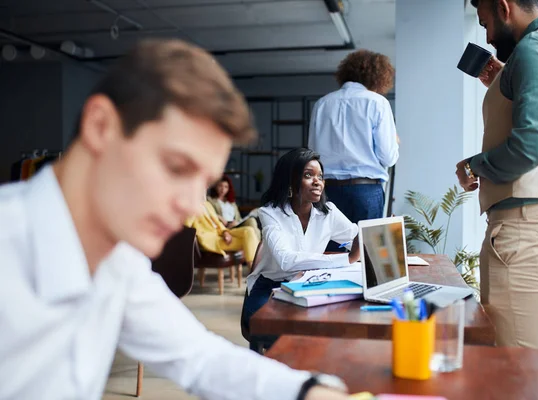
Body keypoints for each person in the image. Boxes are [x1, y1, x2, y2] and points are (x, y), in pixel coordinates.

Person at [0, 39, 351, 400]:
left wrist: (309, 391)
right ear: (100, 126)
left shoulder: (119, 263)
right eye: (176, 167)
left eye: (203, 182)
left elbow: (201, 358)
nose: (189, 205)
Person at [457, 0, 538, 349]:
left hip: (525, 234)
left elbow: (531, 146)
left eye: (485, 23)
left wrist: (473, 166)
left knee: (515, 372)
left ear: (504, 7)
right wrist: (506, 84)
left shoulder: (535, 48)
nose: (486, 37)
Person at [241, 148, 361, 352]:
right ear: (290, 180)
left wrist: (374, 239)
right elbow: (286, 261)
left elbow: (356, 237)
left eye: (320, 177)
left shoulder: (328, 212)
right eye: (308, 175)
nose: (318, 182)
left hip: (308, 286)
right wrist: (348, 258)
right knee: (277, 333)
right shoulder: (270, 213)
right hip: (269, 287)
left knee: (327, 330)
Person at [308, 49, 399, 225]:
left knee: (330, 250)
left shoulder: (322, 104)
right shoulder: (377, 103)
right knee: (366, 250)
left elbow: (312, 154)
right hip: (366, 190)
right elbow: (388, 157)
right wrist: (394, 142)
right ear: (378, 77)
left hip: (328, 191)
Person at [185, 200, 259, 264]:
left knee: (249, 230)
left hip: (220, 232)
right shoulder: (190, 208)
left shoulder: (207, 204)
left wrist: (225, 232)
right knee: (247, 241)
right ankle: (253, 272)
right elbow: (186, 226)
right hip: (211, 239)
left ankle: (253, 272)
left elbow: (217, 222)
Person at [207, 174, 261, 239]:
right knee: (252, 223)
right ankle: (258, 247)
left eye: (226, 187)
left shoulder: (232, 202)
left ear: (229, 189)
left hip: (235, 224)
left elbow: (238, 218)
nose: (223, 189)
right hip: (224, 226)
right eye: (220, 186)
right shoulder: (211, 200)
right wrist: (219, 217)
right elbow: (208, 212)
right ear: (215, 187)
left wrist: (236, 222)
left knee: (252, 222)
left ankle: (257, 247)